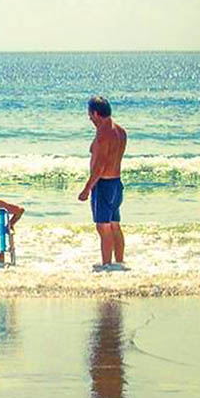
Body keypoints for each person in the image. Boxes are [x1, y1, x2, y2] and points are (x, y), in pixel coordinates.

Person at [79, 95, 128, 269]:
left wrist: (86, 189)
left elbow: (99, 167)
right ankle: (119, 262)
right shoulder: (120, 131)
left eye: (90, 115)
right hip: (116, 183)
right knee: (114, 224)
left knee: (103, 227)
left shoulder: (103, 135)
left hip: (104, 185)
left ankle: (107, 265)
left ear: (95, 113)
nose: (89, 118)